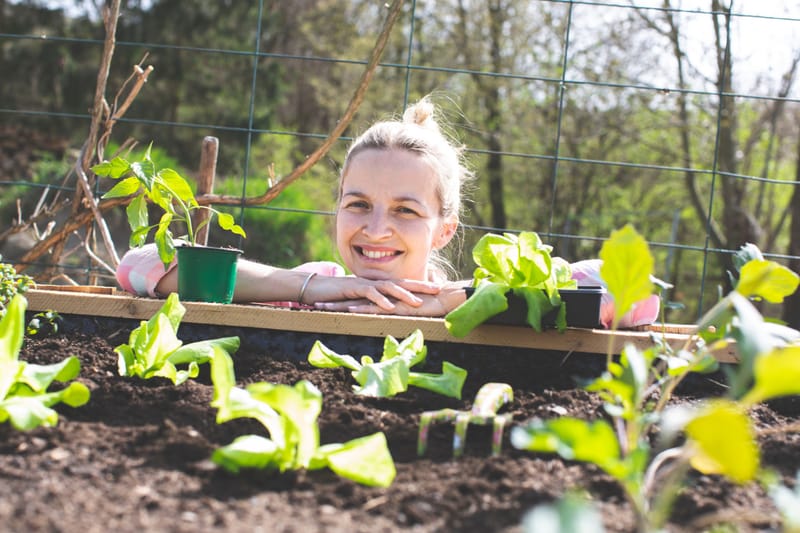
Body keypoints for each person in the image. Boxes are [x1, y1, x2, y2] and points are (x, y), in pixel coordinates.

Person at [117, 96, 658, 328]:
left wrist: (457, 305)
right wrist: (310, 288)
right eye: (358, 205)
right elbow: (139, 266)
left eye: (405, 211)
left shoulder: (472, 297)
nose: (376, 230)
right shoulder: (316, 288)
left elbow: (636, 295)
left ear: (444, 230)